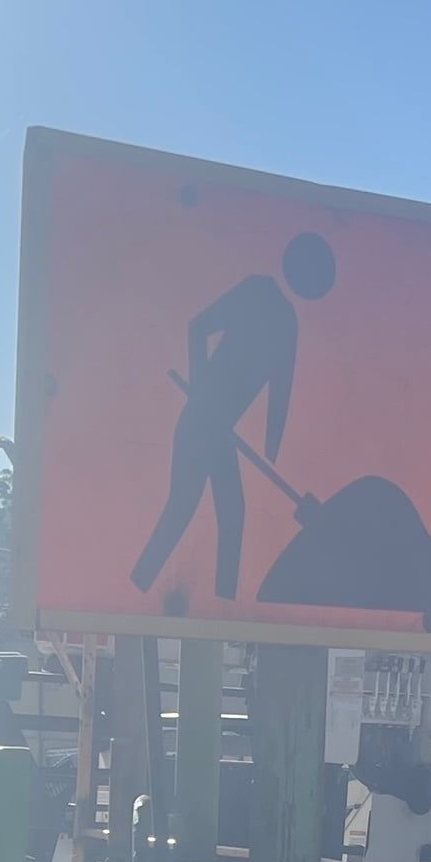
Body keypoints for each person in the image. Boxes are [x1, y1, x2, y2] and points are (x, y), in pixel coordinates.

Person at [131, 231, 336, 600]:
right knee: (182, 507)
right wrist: (200, 392)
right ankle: (139, 584)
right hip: (199, 423)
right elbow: (197, 327)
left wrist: (272, 448)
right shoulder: (256, 291)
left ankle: (224, 602)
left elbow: (281, 392)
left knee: (232, 514)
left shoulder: (288, 322)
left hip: (221, 431)